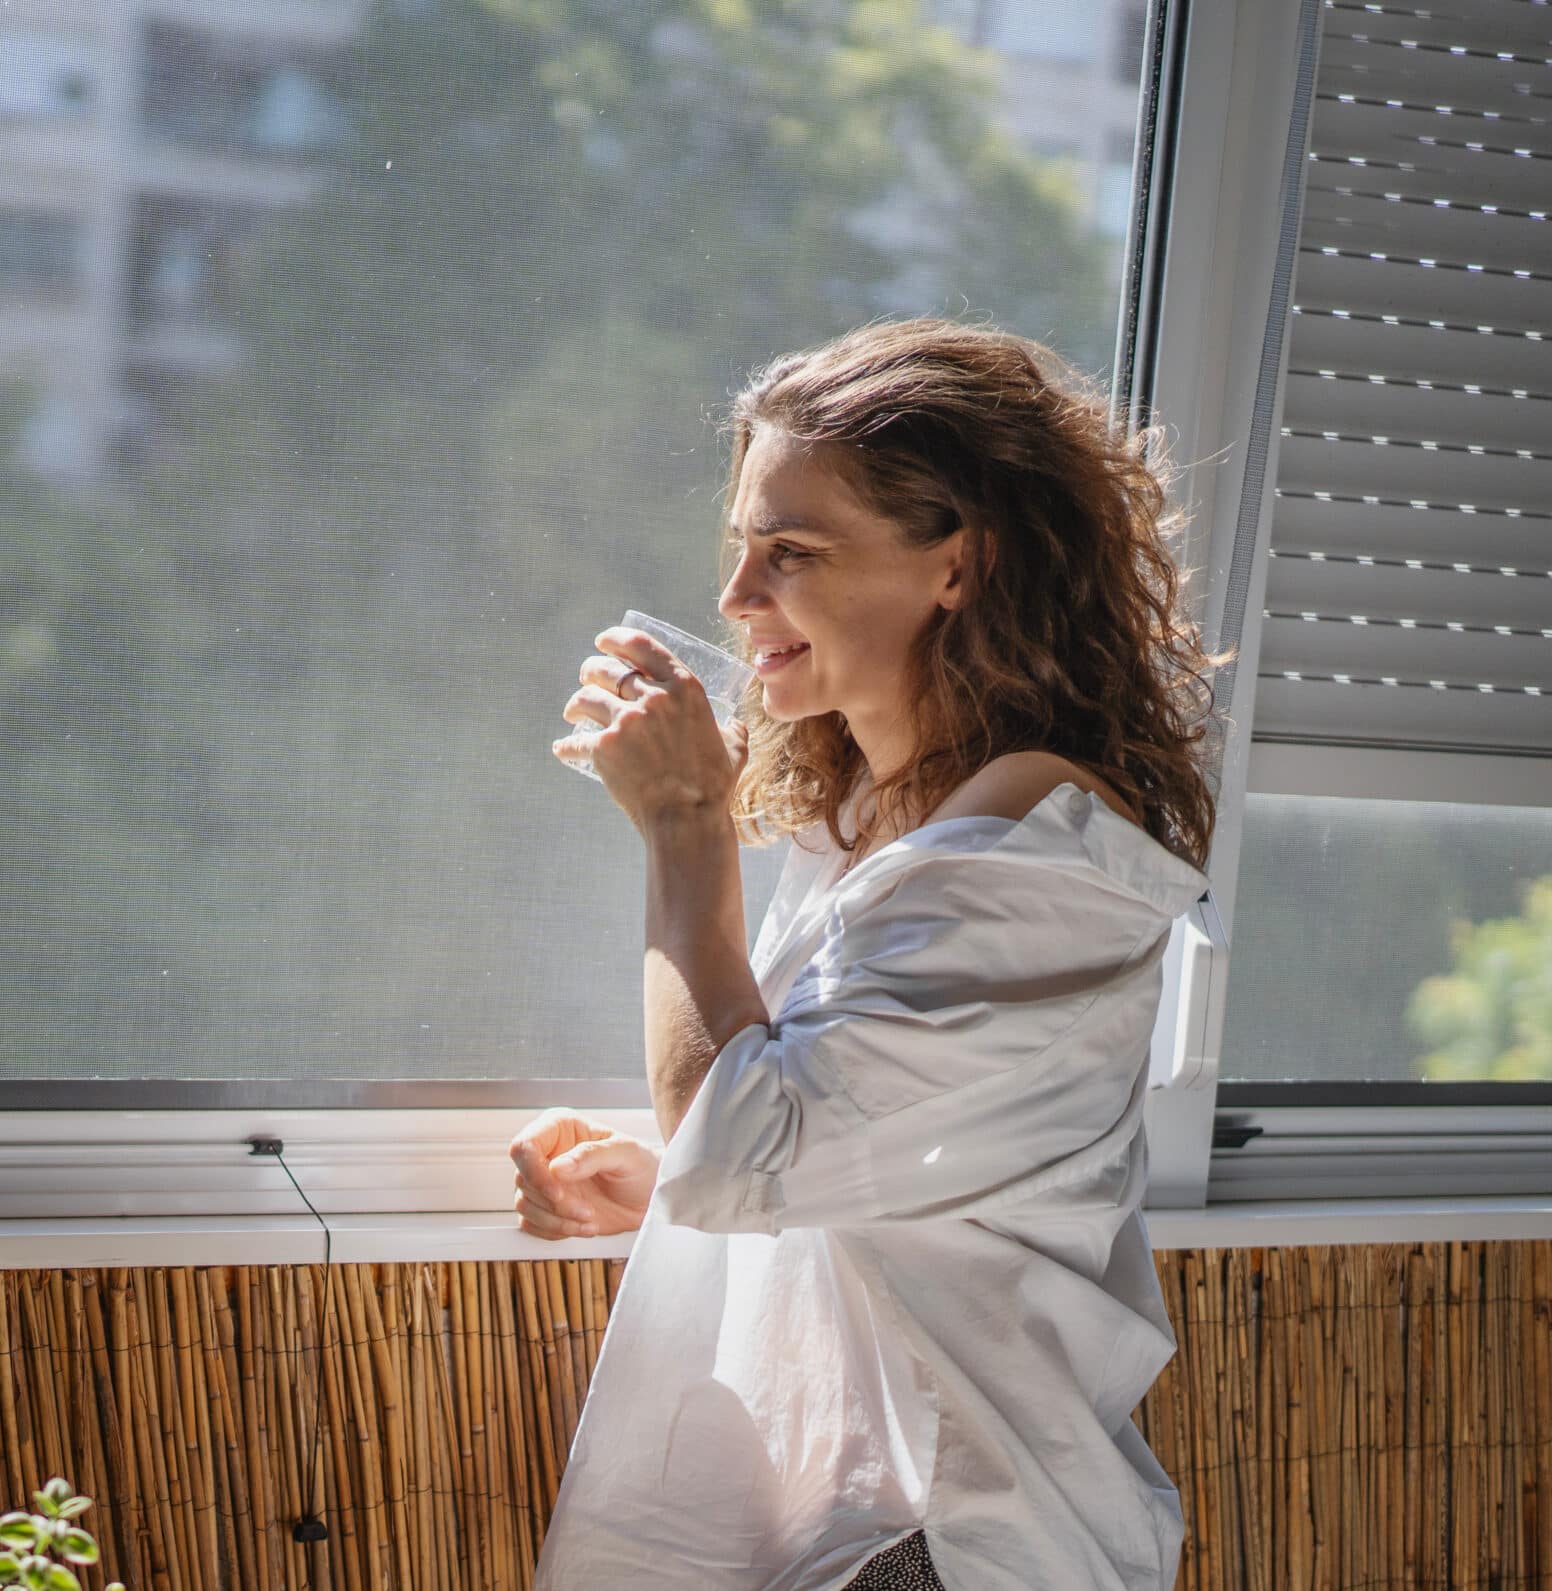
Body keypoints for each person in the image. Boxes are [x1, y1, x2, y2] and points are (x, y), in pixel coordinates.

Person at [517, 319, 1228, 1590]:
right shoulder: (875, 825)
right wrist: (666, 1179)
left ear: (957, 566)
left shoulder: (1031, 854)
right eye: (741, 546)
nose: (737, 600)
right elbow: (841, 1144)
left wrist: (686, 829)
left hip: (950, 1544)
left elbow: (744, 1150)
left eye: (790, 553)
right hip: (859, 1529)